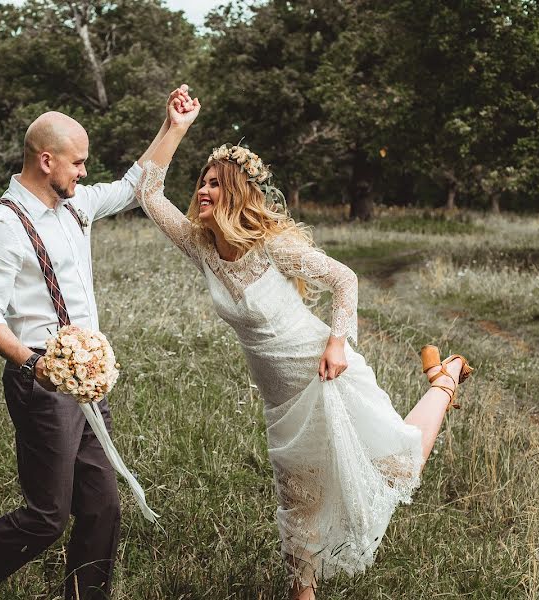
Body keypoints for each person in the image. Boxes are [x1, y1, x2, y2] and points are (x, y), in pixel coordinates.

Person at [135, 94, 472, 599]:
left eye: (214, 184)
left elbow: (345, 279)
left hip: (324, 372)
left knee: (399, 465)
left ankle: (445, 380)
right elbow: (147, 191)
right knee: (299, 497)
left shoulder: (273, 246)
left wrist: (338, 342)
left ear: (238, 195)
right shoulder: (200, 246)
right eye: (201, 181)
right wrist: (174, 126)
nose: (202, 190)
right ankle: (302, 592)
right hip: (282, 399)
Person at [0, 87, 191, 600]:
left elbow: (137, 185)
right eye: (78, 162)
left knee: (102, 506)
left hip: (88, 382)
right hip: (40, 381)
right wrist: (34, 365)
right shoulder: (1, 225)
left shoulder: (77, 206)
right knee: (46, 518)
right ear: (46, 161)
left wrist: (173, 128)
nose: (85, 173)